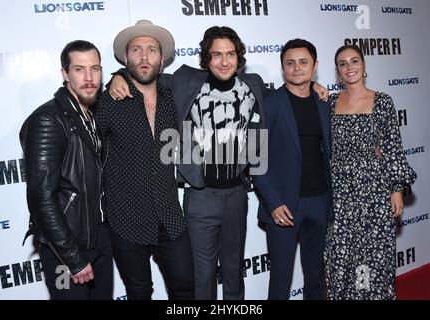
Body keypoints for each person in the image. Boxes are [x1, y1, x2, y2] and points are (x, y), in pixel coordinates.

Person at [109, 26, 328, 300]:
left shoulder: (254, 85)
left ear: (239, 58)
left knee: (235, 273)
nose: (224, 61)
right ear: (206, 58)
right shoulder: (185, 81)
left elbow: (293, 92)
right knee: (203, 276)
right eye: (216, 55)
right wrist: (117, 76)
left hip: (237, 194)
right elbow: (145, 74)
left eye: (230, 55)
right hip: (199, 196)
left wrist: (315, 86)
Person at [95, 20, 194, 300]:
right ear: (126, 58)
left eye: (151, 49)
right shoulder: (107, 102)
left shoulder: (175, 97)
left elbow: (219, 75)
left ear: (162, 59)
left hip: (170, 216)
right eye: (136, 49)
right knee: (138, 293)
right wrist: (116, 76)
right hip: (125, 218)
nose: (144, 55)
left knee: (186, 288)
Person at [20, 40, 113, 300]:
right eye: (79, 69)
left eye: (95, 69)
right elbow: (41, 199)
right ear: (65, 74)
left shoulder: (90, 116)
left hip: (99, 238)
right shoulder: (48, 120)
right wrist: (73, 258)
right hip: (66, 249)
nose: (89, 77)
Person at [324, 44, 417, 300]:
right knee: (341, 252)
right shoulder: (329, 103)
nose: (350, 67)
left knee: (374, 252)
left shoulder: (383, 101)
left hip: (374, 189)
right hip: (340, 192)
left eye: (355, 61)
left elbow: (392, 147)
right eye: (343, 64)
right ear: (337, 72)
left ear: (364, 66)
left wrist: (396, 190)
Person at [253, 39, 331, 300]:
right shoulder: (269, 103)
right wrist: (273, 203)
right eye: (290, 63)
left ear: (315, 65)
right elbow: (255, 158)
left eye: (303, 62)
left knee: (316, 273)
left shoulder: (324, 103)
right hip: (283, 206)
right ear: (283, 67)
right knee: (281, 279)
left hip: (320, 201)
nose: (297, 68)